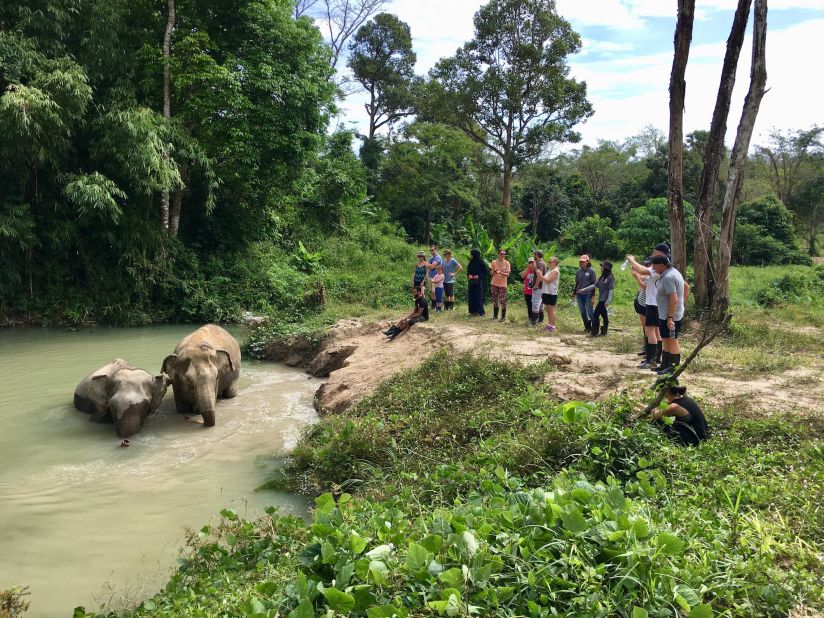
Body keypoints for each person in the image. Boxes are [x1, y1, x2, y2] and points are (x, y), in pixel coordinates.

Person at [651, 254, 689, 375]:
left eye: (655, 266)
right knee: (666, 339)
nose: (653, 268)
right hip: (665, 314)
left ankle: (673, 367)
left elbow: (673, 299)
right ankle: (665, 364)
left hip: (670, 316)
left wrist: (670, 317)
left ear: (662, 265)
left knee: (673, 340)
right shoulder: (672, 272)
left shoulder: (668, 277)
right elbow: (686, 287)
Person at [631, 257, 652, 358]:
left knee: (650, 329)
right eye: (645, 265)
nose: (646, 267)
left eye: (648, 265)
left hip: (648, 305)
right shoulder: (647, 275)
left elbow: (644, 287)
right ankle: (646, 348)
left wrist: (637, 277)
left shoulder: (652, 274)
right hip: (642, 303)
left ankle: (650, 351)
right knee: (645, 328)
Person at [572, 255, 597, 332]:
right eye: (580, 261)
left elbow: (594, 285)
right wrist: (574, 293)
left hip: (588, 294)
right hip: (579, 294)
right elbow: (577, 283)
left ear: (587, 261)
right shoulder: (578, 271)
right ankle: (587, 327)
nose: (581, 263)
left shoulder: (591, 271)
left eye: (583, 261)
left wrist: (593, 297)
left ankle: (595, 327)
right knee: (582, 311)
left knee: (590, 311)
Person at [589, 261, 614, 336]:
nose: (601, 268)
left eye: (602, 266)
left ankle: (594, 332)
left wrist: (608, 301)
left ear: (606, 268)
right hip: (601, 299)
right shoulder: (602, 277)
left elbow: (611, 290)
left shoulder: (610, 277)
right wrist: (584, 289)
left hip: (604, 300)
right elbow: (595, 285)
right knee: (604, 316)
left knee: (595, 315)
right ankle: (604, 332)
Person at [537, 256, 560, 332]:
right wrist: (539, 275)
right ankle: (549, 324)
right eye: (548, 262)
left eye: (550, 262)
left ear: (555, 262)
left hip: (551, 293)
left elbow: (548, 280)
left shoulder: (555, 271)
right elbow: (543, 279)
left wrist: (540, 275)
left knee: (551, 310)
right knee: (548, 310)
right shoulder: (550, 270)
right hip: (546, 292)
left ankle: (552, 326)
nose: (549, 263)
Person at [489, 249, 511, 322]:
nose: (502, 255)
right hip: (494, 283)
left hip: (502, 284)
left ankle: (503, 317)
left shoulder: (507, 263)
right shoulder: (494, 262)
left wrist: (500, 272)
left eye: (504, 254)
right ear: (498, 254)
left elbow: (507, 275)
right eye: (501, 254)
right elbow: (491, 273)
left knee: (503, 300)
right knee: (495, 300)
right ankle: (495, 316)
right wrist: (494, 272)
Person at [466, 248, 488, 316]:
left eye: (472, 254)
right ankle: (473, 311)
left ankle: (480, 311)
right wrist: (469, 275)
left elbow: (485, 272)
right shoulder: (471, 261)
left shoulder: (481, 262)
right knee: (471, 296)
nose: (471, 256)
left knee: (478, 296)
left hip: (478, 282)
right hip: (471, 281)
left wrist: (478, 276)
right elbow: (468, 270)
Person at [521, 258, 537, 323]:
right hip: (527, 291)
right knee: (529, 306)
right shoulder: (527, 270)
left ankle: (536, 319)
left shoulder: (537, 270)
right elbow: (522, 276)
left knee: (535, 306)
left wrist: (534, 268)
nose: (531, 264)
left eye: (532, 262)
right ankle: (530, 319)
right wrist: (527, 268)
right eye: (530, 263)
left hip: (535, 291)